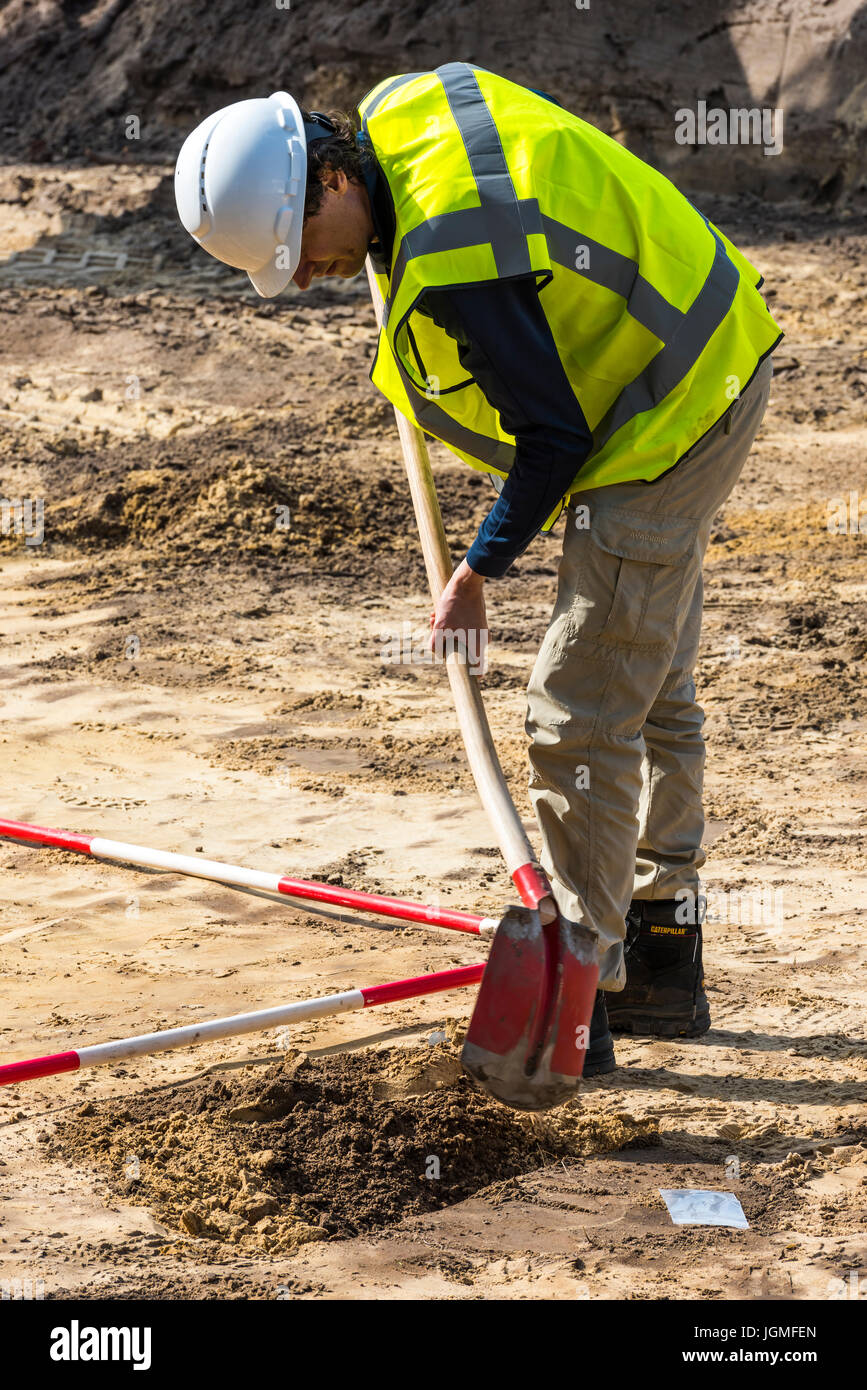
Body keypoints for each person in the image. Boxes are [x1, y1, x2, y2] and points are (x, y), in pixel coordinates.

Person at [174, 63, 783, 1077]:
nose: (311, 275)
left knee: (576, 712)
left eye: (302, 251)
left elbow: (553, 434)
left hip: (669, 411)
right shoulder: (399, 111)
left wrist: (476, 570)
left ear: (332, 182)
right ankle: (664, 951)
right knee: (648, 677)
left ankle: (586, 987)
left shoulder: (456, 251)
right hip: (703, 329)